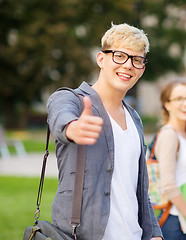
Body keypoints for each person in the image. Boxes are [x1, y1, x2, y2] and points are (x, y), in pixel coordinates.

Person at [47, 23, 163, 240]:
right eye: (119, 56)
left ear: (142, 68)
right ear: (101, 59)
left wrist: (154, 233)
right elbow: (59, 114)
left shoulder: (135, 119)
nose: (128, 65)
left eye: (136, 60)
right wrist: (72, 127)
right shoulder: (72, 100)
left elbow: (138, 188)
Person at [154, 80, 186, 240]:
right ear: (167, 104)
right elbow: (168, 185)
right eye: (179, 99)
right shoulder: (169, 134)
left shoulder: (185, 134)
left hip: (184, 219)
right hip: (174, 220)